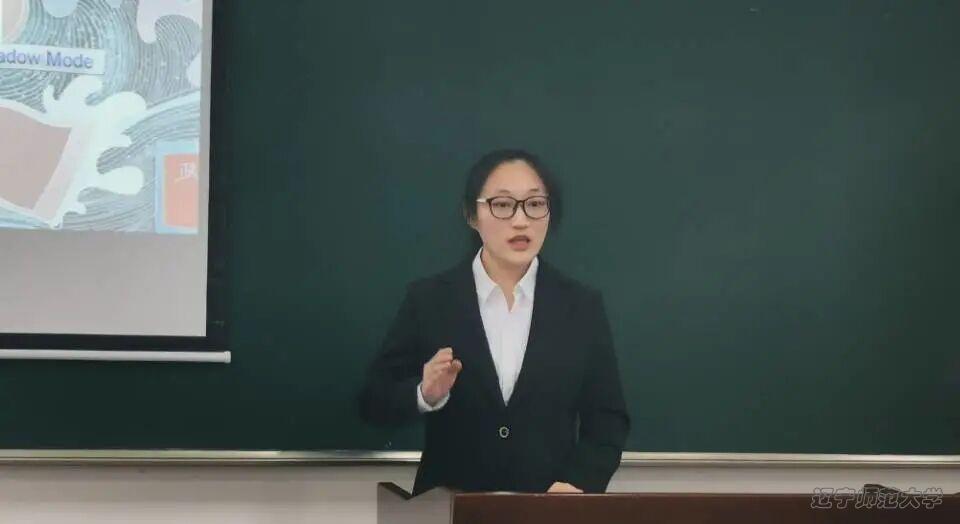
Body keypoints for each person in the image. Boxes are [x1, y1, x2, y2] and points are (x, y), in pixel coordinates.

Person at [359, 149, 629, 495]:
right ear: (472, 215)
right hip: (448, 507)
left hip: (548, 510)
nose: (521, 221)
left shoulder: (581, 307)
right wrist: (424, 393)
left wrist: (578, 484)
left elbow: (608, 419)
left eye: (535, 204)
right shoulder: (429, 300)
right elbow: (373, 402)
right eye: (503, 205)